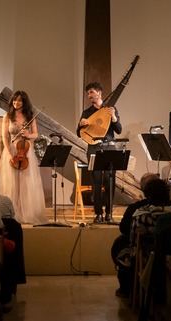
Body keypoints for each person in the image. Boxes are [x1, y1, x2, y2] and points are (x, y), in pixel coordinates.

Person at [0, 90, 47, 225]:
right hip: (12, 150)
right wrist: (9, 154)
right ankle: (12, 213)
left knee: (25, 183)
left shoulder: (30, 116)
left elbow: (36, 135)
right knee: (12, 183)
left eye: (19, 100)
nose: (16, 102)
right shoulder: (7, 116)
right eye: (14, 100)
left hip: (26, 151)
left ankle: (25, 213)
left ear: (24, 102)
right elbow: (5, 137)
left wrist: (28, 134)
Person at [76, 82, 122, 223]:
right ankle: (98, 214)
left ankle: (109, 213)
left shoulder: (110, 109)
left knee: (109, 181)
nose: (89, 95)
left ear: (99, 93)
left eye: (92, 92)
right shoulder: (87, 112)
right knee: (96, 182)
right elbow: (79, 133)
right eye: (88, 93)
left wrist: (114, 118)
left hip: (109, 147)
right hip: (94, 148)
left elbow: (118, 130)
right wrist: (80, 125)